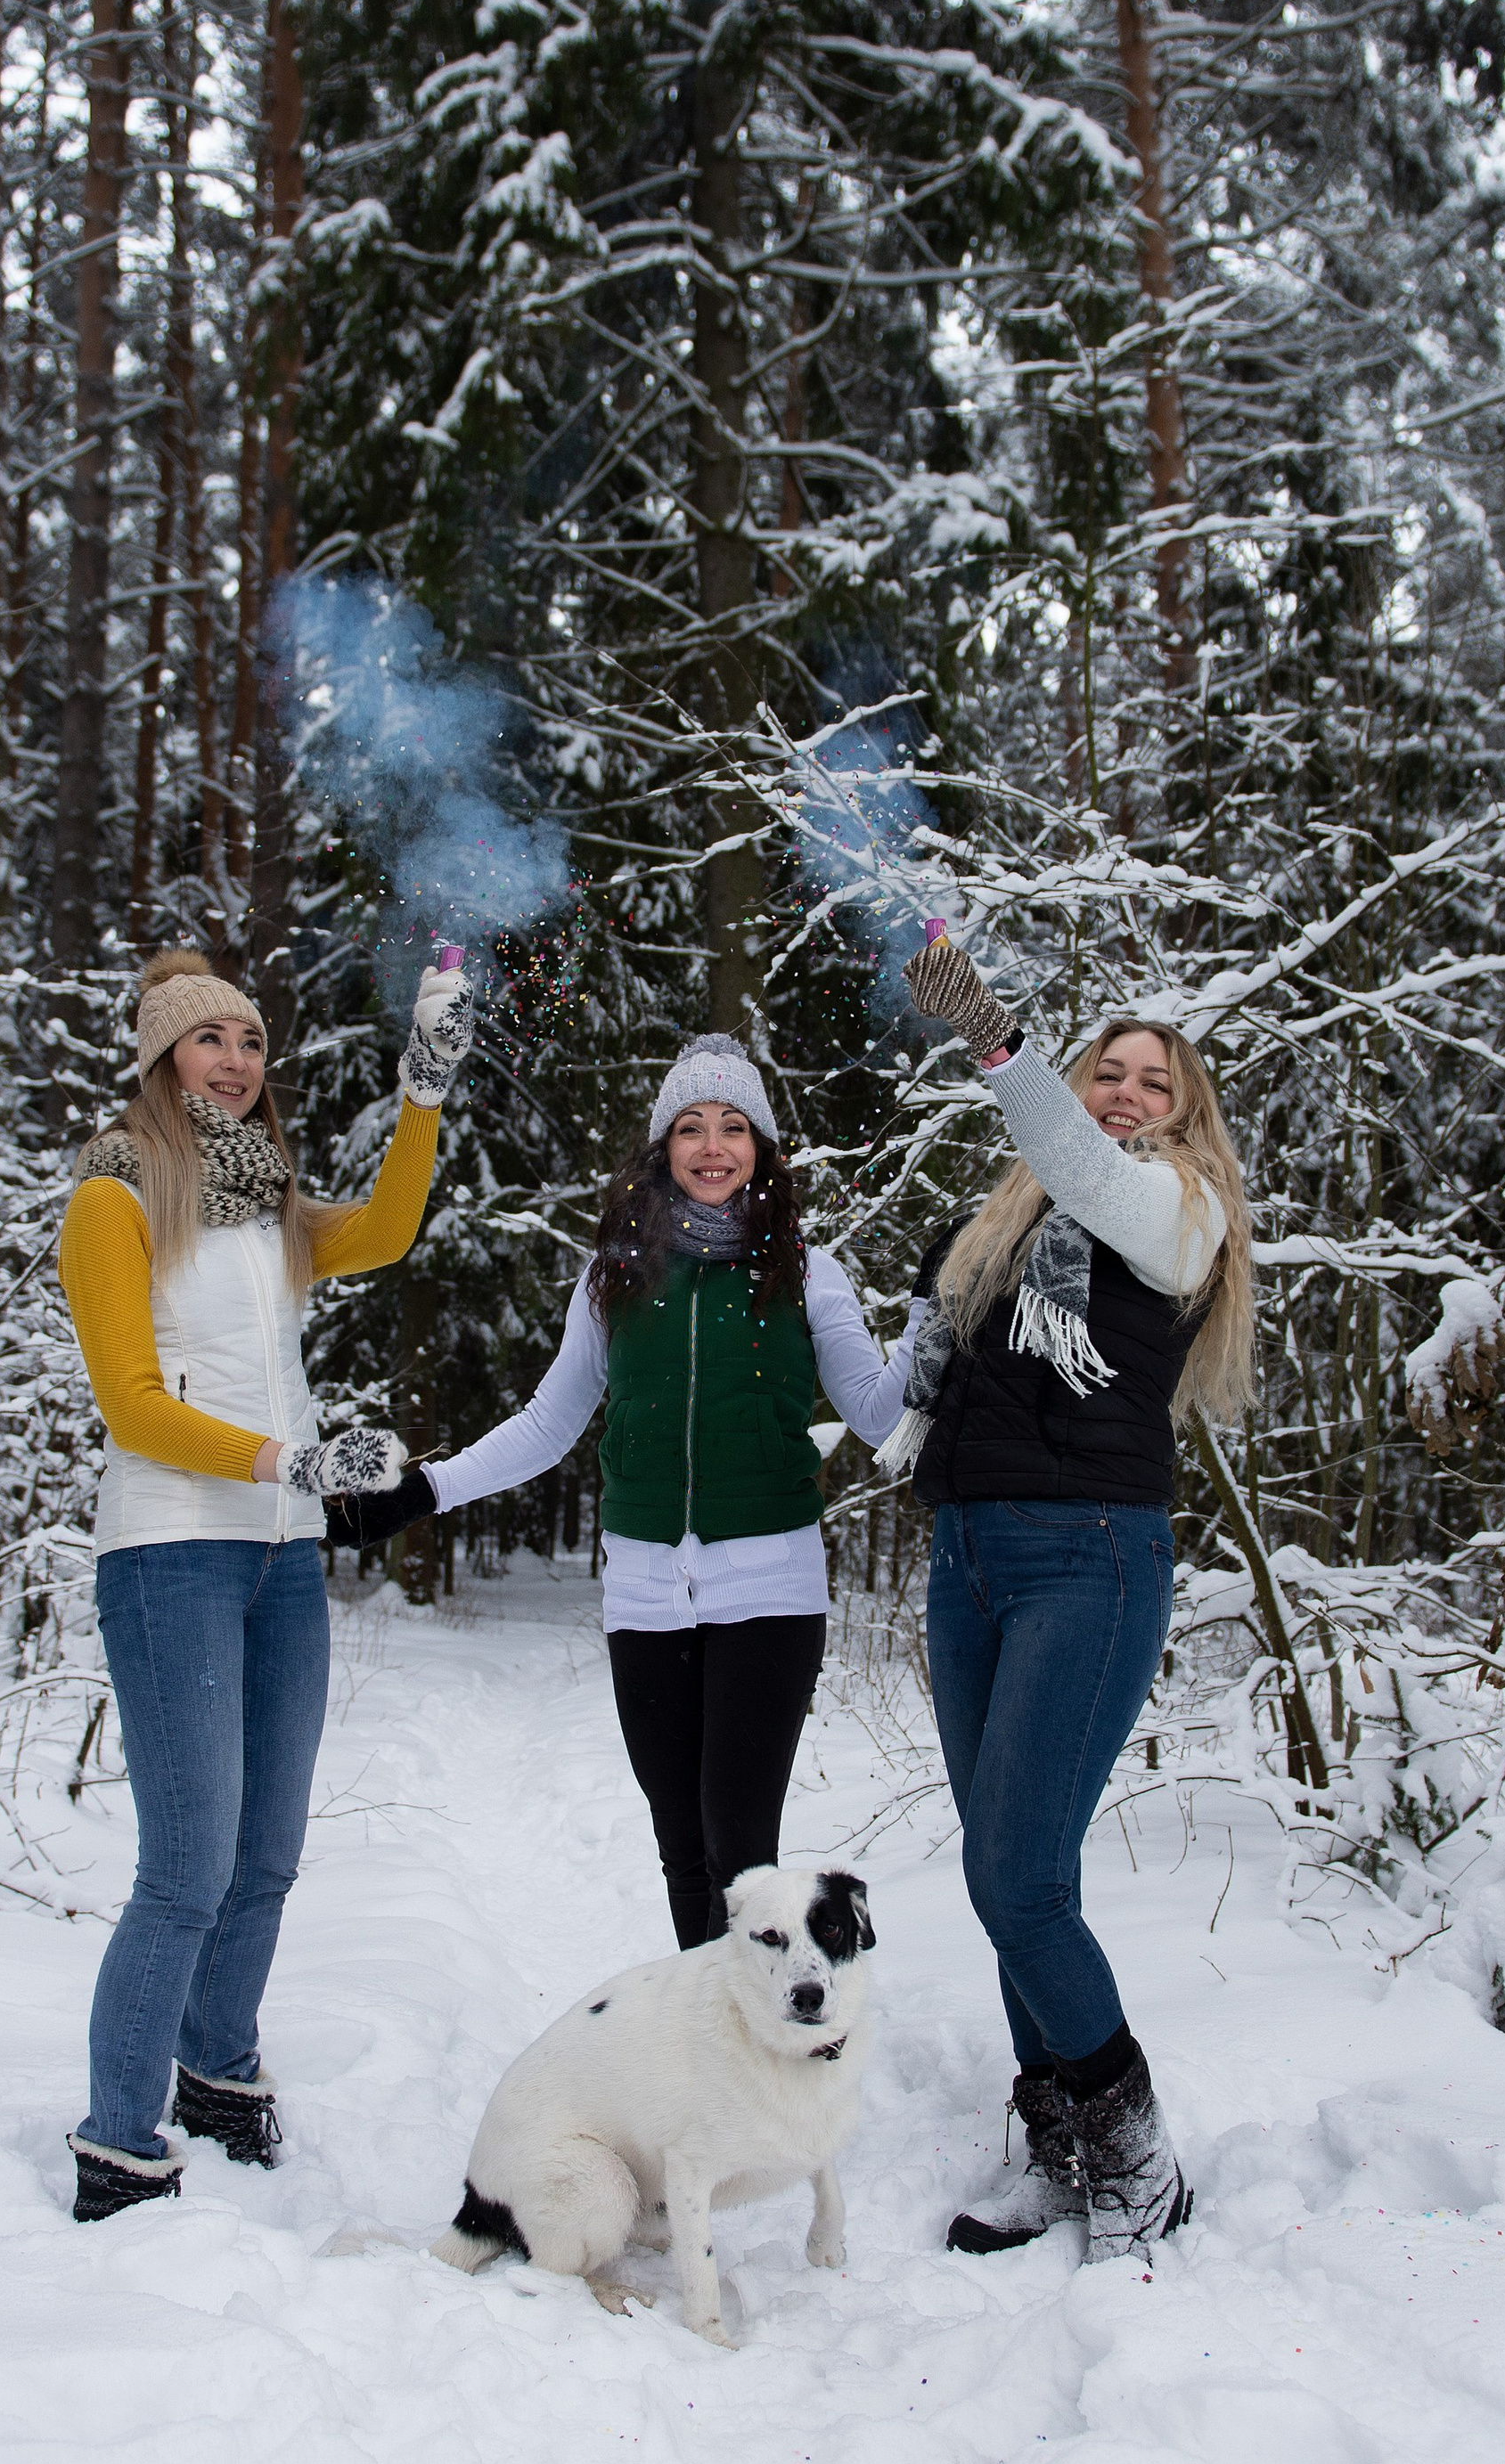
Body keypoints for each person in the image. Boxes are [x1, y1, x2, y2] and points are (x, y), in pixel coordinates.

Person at [55, 944, 473, 2221]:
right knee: (185, 1865)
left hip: (282, 1558)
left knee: (268, 1853)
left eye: (249, 1043)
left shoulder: (266, 1209)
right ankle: (119, 2140)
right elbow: (132, 1407)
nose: (236, 1063)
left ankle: (218, 2069)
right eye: (208, 1042)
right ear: (159, 1059)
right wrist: (291, 1457)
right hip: (172, 1546)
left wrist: (424, 1093)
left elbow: (390, 1230)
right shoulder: (114, 1202)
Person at [335, 1034, 909, 1948]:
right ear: (663, 1147)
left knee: (738, 1842)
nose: (712, 1145)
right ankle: (709, 2027)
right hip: (644, 1595)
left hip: (769, 1585)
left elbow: (879, 1414)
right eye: (691, 1127)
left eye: (733, 1126)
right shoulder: (615, 1274)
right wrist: (423, 1491)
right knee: (681, 1843)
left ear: (760, 1148)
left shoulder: (806, 1271)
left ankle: (774, 2036)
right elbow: (546, 1424)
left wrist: (929, 1318)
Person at [892, 934, 1256, 2262]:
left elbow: (1095, 1177)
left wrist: (997, 1038)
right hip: (972, 1554)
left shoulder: (1177, 1213)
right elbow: (917, 1384)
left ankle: (1137, 2159)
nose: (1124, 1093)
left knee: (1018, 1875)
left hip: (1089, 1559)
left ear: (1185, 1108)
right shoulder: (1007, 1228)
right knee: (1012, 1883)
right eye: (1108, 1072)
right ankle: (1064, 2151)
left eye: (1153, 1080)